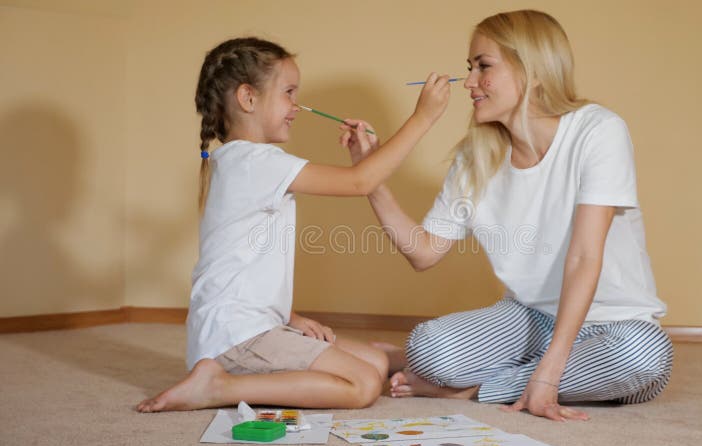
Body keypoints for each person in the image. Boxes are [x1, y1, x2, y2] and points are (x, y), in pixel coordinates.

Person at [341, 10, 673, 422]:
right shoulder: (475, 156)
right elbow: (423, 253)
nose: (468, 83)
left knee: (642, 358)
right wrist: (370, 175)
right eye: (469, 69)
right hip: (528, 316)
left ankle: (474, 389)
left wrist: (550, 375)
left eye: (483, 67)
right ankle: (509, 377)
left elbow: (585, 256)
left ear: (531, 69)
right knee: (428, 348)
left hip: (614, 323)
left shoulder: (597, 131)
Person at [137, 37, 451, 412]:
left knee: (377, 363)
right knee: (363, 384)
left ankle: (229, 373)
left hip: (247, 327)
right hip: (237, 338)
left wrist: (291, 317)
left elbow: (242, 266)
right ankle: (219, 387)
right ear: (248, 99)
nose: (297, 106)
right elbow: (360, 183)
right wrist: (424, 117)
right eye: (288, 93)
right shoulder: (256, 161)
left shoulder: (244, 162)